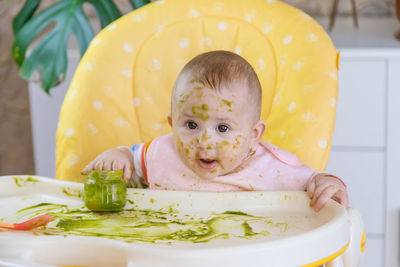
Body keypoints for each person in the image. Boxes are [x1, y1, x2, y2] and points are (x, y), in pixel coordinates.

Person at [83, 50, 348, 212]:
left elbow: (316, 183)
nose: (205, 141)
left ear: (254, 135)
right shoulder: (162, 153)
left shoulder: (274, 169)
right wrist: (119, 157)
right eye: (191, 125)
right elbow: (133, 161)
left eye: (222, 128)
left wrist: (328, 184)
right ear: (172, 124)